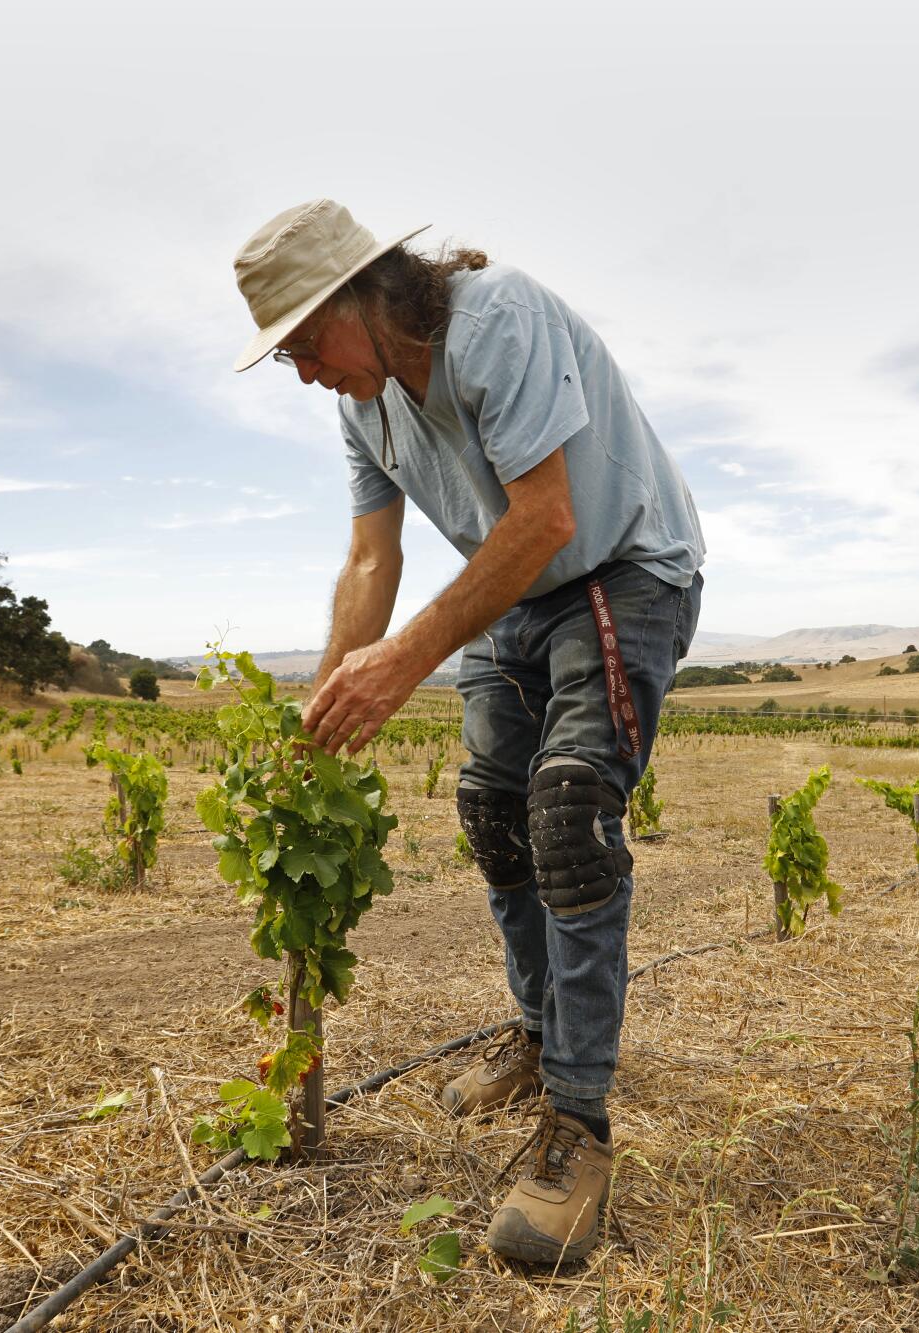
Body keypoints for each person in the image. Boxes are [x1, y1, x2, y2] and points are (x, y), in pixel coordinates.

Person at [229, 199, 704, 1265]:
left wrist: (406, 659)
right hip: (516, 592)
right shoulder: (364, 407)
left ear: (365, 295)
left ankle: (576, 1127)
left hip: (617, 571)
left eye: (306, 344)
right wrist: (321, 710)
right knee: (493, 818)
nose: (305, 373)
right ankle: (537, 1038)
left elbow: (544, 519)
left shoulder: (495, 321)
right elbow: (369, 563)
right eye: (286, 361)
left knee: (568, 816)